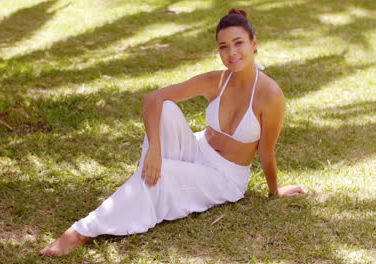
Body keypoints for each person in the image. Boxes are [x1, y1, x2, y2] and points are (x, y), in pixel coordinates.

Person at [39, 8, 306, 257]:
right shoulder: (217, 81)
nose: (231, 53)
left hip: (225, 177)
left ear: (254, 43)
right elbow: (153, 99)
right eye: (224, 47)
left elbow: (266, 151)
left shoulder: (271, 96)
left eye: (239, 43)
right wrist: (154, 149)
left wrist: (275, 191)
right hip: (198, 149)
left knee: (164, 172)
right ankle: (148, 181)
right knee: (165, 109)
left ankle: (82, 231)